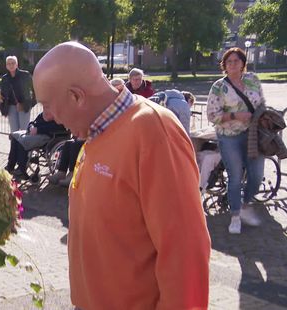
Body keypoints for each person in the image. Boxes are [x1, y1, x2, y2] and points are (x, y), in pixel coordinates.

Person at [33, 42, 210, 309]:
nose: (47, 116)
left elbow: (185, 252)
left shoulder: (152, 130)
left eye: (48, 105)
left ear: (77, 96)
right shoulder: (95, 131)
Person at [207, 47, 265, 234]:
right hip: (229, 137)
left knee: (256, 176)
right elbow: (212, 115)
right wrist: (235, 115)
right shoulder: (219, 86)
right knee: (235, 177)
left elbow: (261, 103)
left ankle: (246, 203)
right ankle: (235, 216)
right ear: (224, 65)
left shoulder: (253, 80)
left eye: (236, 61)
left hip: (253, 135)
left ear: (243, 63)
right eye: (229, 61)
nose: (232, 64)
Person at [5, 112, 66, 181]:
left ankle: (21, 169)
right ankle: (10, 165)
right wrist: (31, 127)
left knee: (23, 140)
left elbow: (59, 127)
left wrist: (38, 130)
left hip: (49, 136)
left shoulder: (59, 112)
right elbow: (34, 122)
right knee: (15, 136)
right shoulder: (47, 110)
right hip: (35, 132)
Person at [1, 55, 36, 132]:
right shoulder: (5, 78)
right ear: (6, 66)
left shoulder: (25, 75)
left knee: (24, 130)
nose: (11, 65)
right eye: (8, 64)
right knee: (14, 131)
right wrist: (3, 108)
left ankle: (24, 144)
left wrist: (31, 103)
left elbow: (34, 89)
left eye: (13, 63)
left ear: (17, 64)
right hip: (11, 107)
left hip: (24, 106)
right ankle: (15, 144)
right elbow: (3, 94)